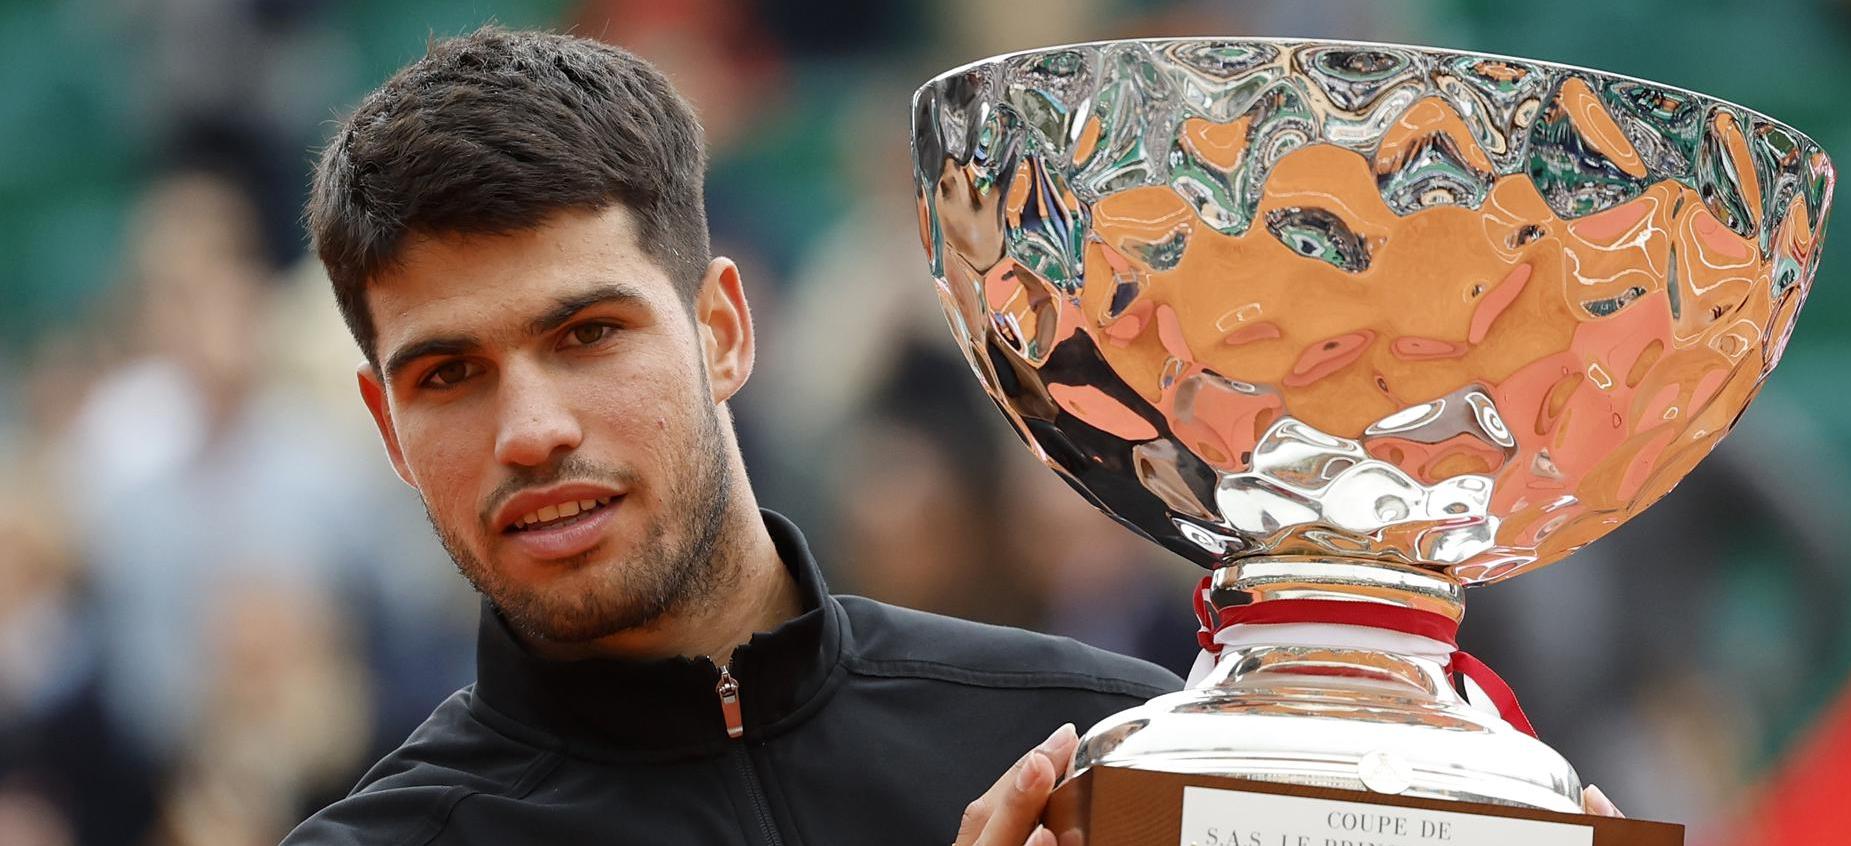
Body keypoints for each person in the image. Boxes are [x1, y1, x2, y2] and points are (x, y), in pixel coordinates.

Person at [280, 27, 1180, 846]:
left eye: (588, 334)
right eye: (448, 375)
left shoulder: (1107, 752)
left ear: (723, 332)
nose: (531, 432)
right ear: (389, 428)